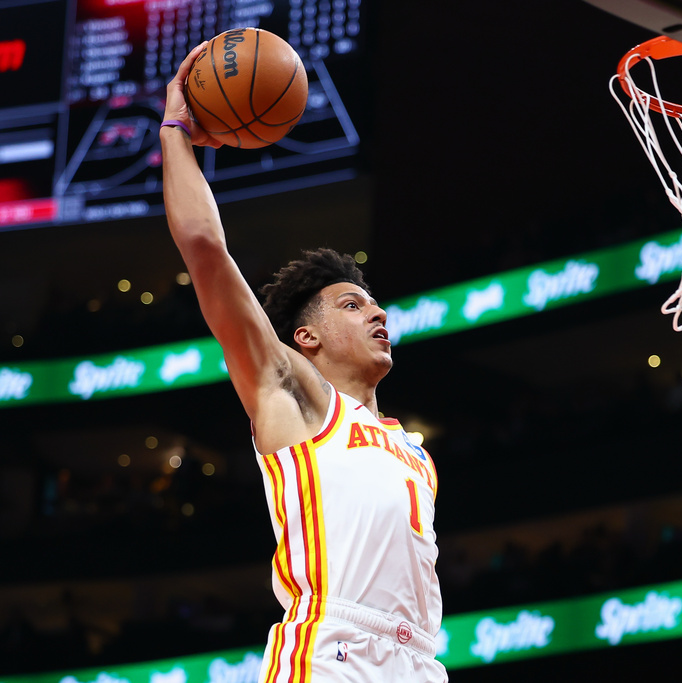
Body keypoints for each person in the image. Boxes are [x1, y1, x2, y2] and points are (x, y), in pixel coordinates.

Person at [161, 43, 447, 682]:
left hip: (419, 663)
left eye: (376, 305)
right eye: (352, 305)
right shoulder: (295, 399)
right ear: (306, 338)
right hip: (331, 650)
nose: (379, 317)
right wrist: (176, 131)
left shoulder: (416, 456)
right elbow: (205, 248)